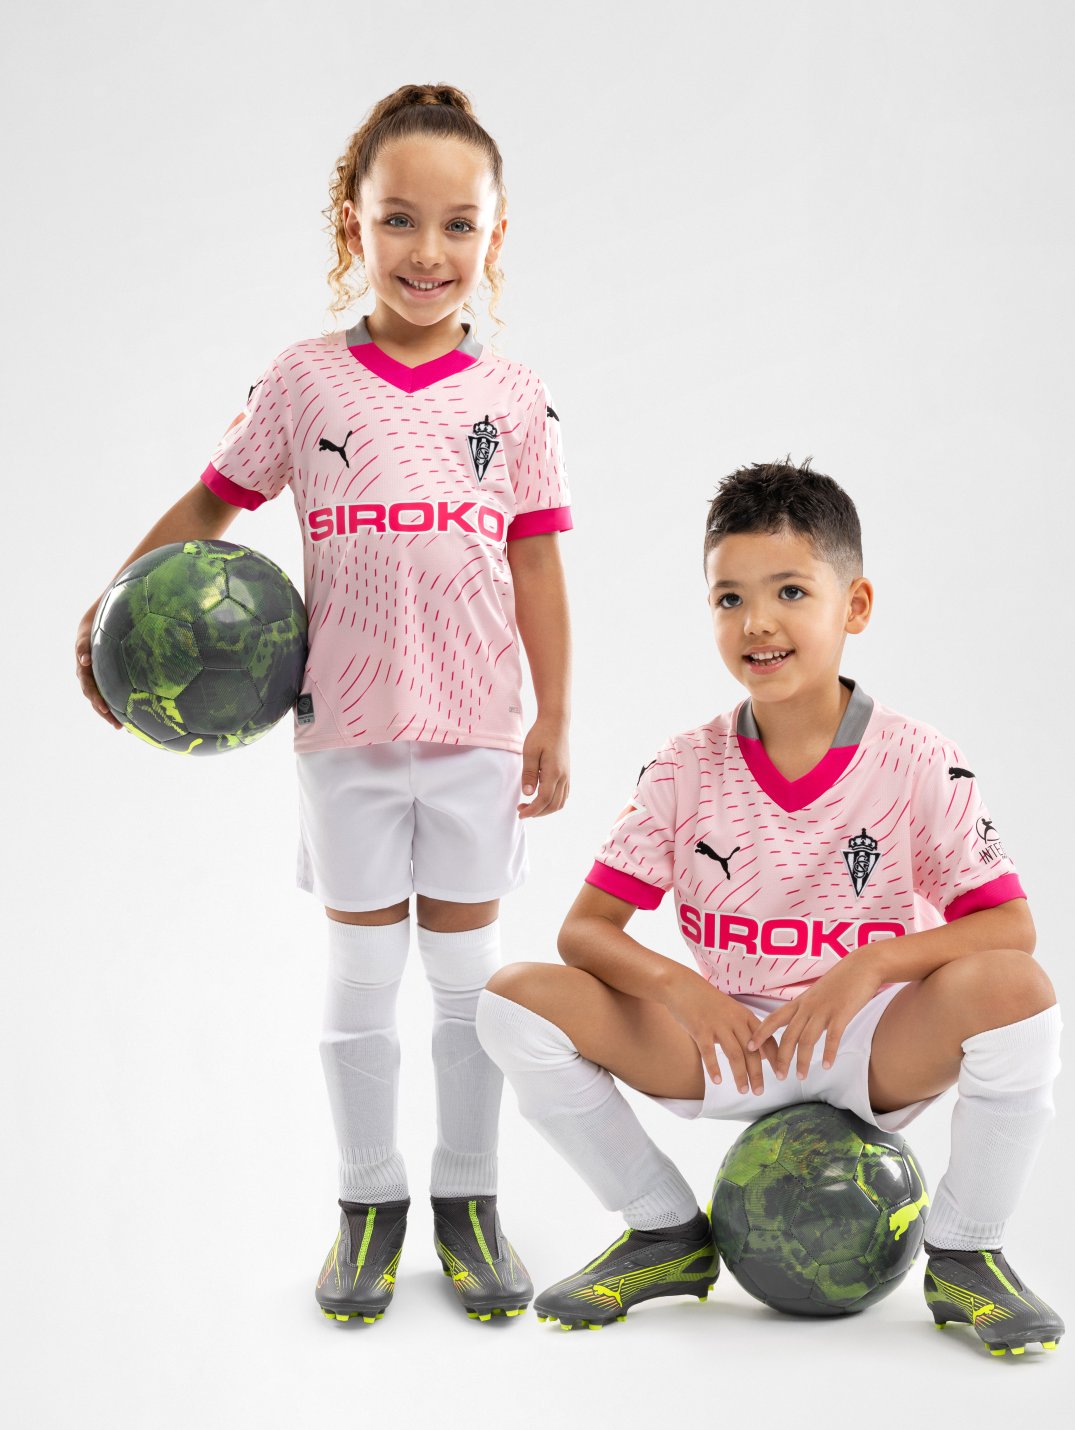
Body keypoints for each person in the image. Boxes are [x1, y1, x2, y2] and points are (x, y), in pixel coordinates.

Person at [75, 84, 572, 1326]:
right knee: (361, 971)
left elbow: (536, 561)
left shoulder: (516, 398)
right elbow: (212, 504)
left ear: (495, 236)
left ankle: (469, 1197)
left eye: (458, 225)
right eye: (399, 219)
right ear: (353, 223)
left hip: (476, 730)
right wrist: (113, 607)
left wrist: (556, 713)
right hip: (344, 734)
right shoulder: (302, 382)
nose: (427, 251)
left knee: (464, 977)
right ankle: (368, 1200)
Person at [476, 459, 1064, 1356]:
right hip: (732, 1044)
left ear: (854, 605)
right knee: (512, 1000)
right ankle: (663, 1231)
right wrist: (683, 992)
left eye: (790, 591)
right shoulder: (684, 765)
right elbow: (584, 932)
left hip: (871, 1044)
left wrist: (869, 966)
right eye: (729, 598)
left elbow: (1009, 927)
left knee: (1017, 989)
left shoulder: (916, 759)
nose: (757, 622)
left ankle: (966, 1253)